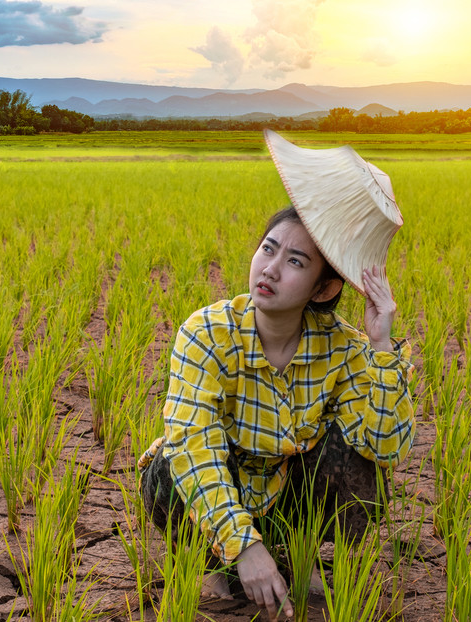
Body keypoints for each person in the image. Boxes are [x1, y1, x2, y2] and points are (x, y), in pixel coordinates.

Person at [137, 132, 413, 621]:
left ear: (324, 287)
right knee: (165, 471)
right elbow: (193, 444)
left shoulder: (344, 348)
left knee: (358, 462)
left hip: (285, 489)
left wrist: (382, 345)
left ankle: (297, 554)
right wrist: (243, 547)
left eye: (295, 262)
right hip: (225, 483)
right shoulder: (207, 332)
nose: (269, 268)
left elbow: (385, 447)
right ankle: (218, 563)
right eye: (268, 249)